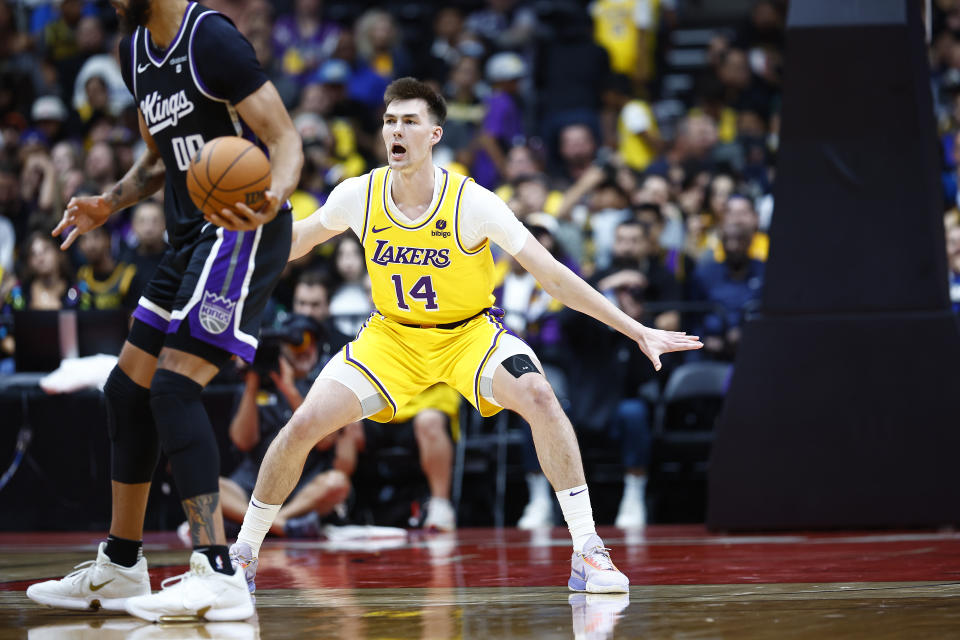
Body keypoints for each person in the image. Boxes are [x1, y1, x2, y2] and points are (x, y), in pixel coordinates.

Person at [223, 77, 701, 597]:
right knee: (303, 425)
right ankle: (243, 556)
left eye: (409, 121)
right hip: (392, 338)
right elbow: (299, 242)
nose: (395, 130)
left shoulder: (473, 203)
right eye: (389, 121)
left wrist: (635, 330)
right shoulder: (359, 195)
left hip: (469, 334)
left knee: (541, 395)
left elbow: (554, 276)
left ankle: (587, 550)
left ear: (434, 134)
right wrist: (241, 245)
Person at [26, 0, 302, 623]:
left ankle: (218, 571)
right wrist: (109, 201)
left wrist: (270, 199)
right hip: (187, 238)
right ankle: (122, 565)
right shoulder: (132, 50)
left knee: (174, 388)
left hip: (239, 229)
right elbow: (160, 159)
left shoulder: (211, 40)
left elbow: (286, 139)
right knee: (126, 392)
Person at [218, 314, 352, 538]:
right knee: (211, 486)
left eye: (309, 345)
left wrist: (289, 388)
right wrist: (252, 384)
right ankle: (283, 527)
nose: (303, 351)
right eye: (295, 345)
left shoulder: (323, 385)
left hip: (302, 488)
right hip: (253, 484)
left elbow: (326, 442)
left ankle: (268, 523)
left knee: (337, 483)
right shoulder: (254, 387)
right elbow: (242, 441)